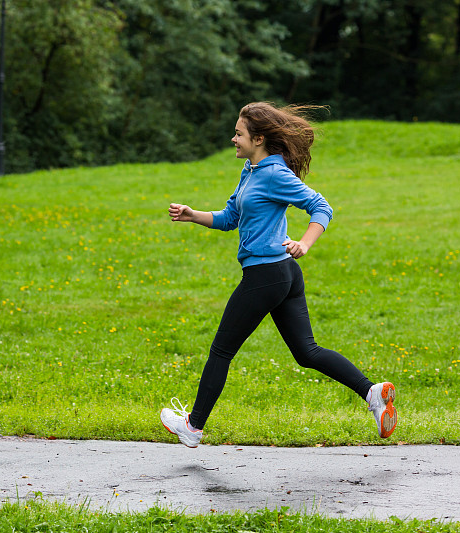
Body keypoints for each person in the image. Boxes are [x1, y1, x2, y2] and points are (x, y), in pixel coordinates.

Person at [160, 102, 396, 448]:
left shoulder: (275, 174)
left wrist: (305, 242)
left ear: (258, 138)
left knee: (221, 351)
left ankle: (193, 427)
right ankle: (372, 393)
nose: (233, 139)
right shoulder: (251, 171)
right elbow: (230, 218)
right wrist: (192, 214)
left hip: (267, 274)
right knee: (307, 352)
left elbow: (321, 207)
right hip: (283, 274)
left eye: (238, 134)